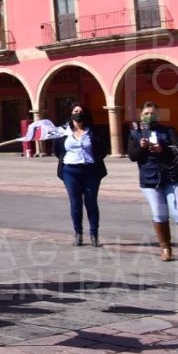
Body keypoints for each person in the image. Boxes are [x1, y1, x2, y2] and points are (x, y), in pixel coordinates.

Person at [128, 101, 178, 263]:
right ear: (141, 116)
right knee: (159, 213)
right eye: (146, 113)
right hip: (150, 180)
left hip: (172, 177)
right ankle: (166, 249)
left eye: (153, 113)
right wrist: (141, 147)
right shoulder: (135, 134)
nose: (150, 116)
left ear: (158, 115)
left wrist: (163, 148)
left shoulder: (168, 131)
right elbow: (133, 156)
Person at [54, 104, 108, 248]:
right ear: (71, 114)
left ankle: (94, 234)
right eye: (76, 111)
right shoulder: (63, 132)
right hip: (70, 171)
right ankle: (78, 233)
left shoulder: (93, 131)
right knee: (75, 203)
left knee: (91, 202)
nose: (78, 113)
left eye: (81, 111)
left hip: (90, 170)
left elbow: (102, 150)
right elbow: (57, 151)